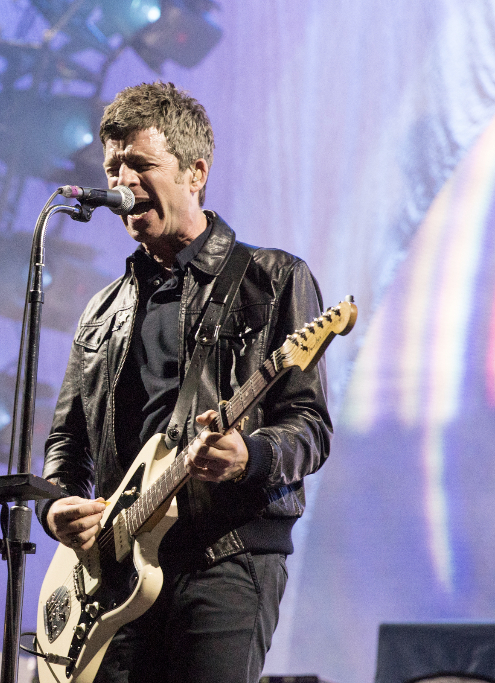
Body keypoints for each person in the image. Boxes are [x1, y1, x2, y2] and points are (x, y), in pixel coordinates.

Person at [36, 82, 332, 683]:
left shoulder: (272, 278)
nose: (123, 182)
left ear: (196, 173)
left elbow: (310, 427)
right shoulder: (102, 310)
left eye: (141, 164)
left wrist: (250, 455)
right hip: (117, 573)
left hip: (226, 557)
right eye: (113, 167)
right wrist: (57, 506)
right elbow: (67, 443)